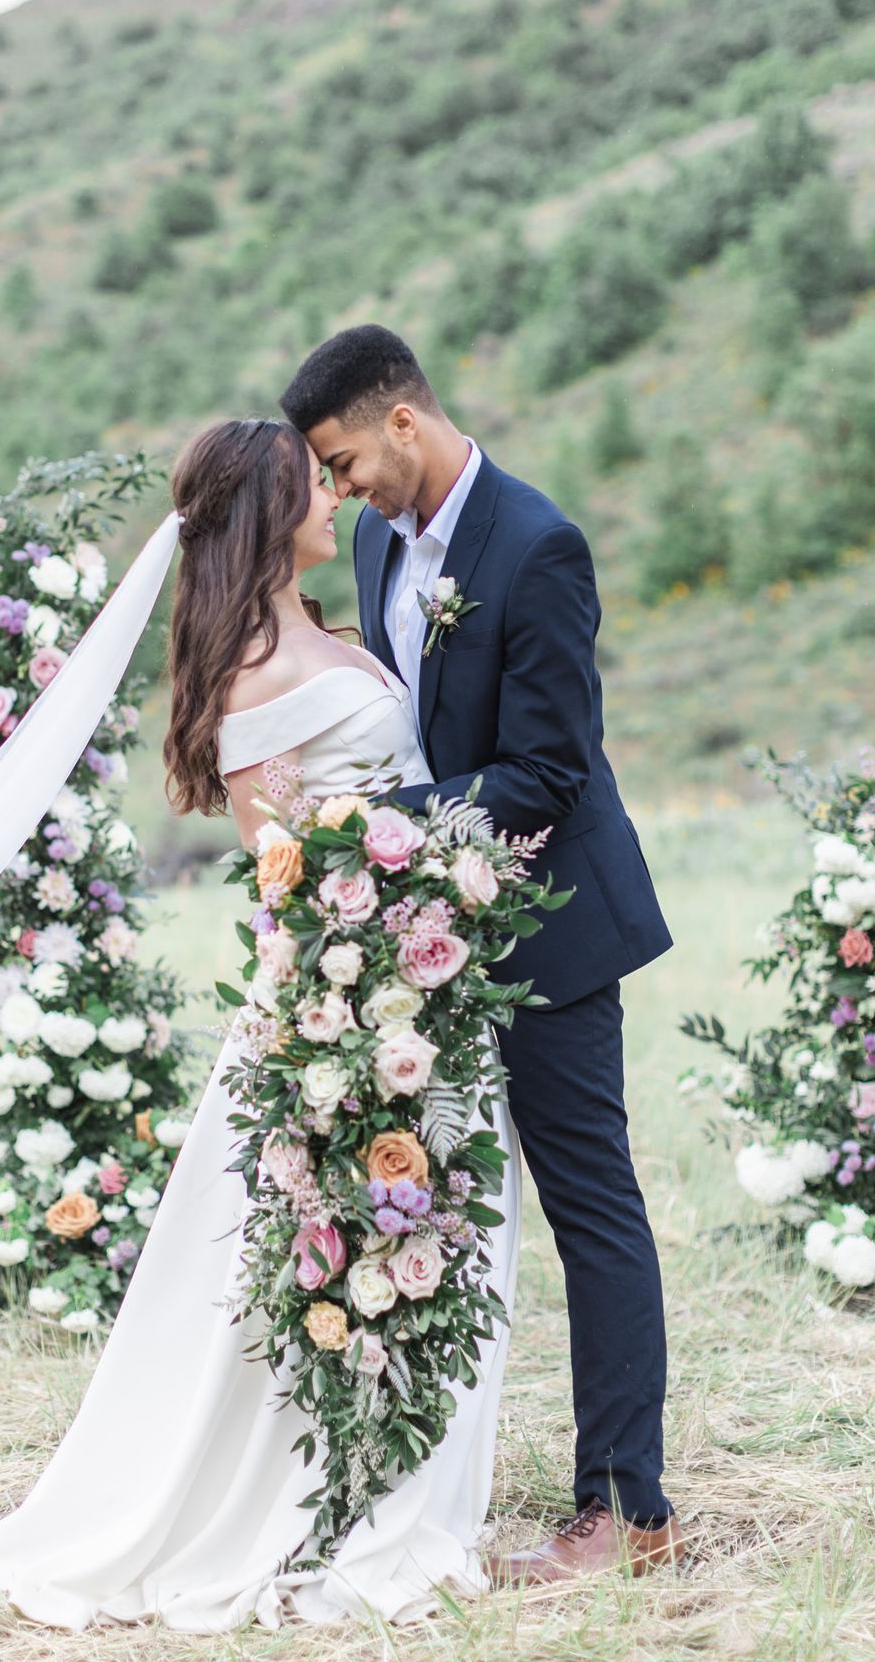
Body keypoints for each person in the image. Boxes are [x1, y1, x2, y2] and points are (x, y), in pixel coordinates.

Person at [0, 415, 523, 1629]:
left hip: (401, 976)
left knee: (404, 1237)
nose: (335, 499)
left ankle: (387, 1480)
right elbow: (278, 858)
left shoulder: (314, 628)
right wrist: (370, 946)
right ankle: (325, 1499)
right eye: (315, 484)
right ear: (264, 515)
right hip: (344, 995)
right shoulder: (254, 664)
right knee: (337, 1247)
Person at [279, 325, 683, 1585]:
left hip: (552, 931)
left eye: (345, 462)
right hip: (430, 948)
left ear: (402, 420)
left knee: (589, 1210)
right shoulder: (368, 543)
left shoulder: (538, 546)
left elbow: (546, 774)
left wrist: (369, 831)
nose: (339, 492)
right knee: (425, 1214)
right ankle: (406, 1487)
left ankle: (627, 1510)